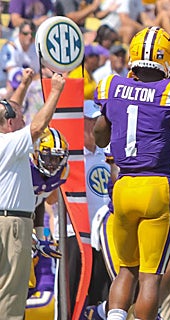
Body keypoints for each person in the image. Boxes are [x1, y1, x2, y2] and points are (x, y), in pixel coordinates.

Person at [93, 26, 170, 320]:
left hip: (123, 186)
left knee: (126, 270)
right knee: (150, 276)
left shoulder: (112, 86)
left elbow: (99, 137)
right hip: (157, 185)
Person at [0, 68, 65, 320]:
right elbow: (38, 127)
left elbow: (10, 108)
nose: (22, 120)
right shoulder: (8, 143)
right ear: (9, 124)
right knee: (11, 293)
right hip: (10, 222)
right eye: (17, 119)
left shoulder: (7, 140)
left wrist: (25, 84)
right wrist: (56, 91)